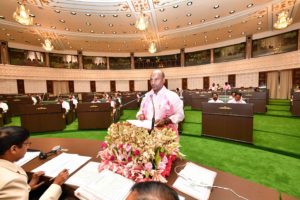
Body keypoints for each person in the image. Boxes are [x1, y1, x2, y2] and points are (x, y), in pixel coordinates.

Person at [0, 126, 69, 200]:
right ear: (14, 149)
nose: (28, 147)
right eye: (26, 144)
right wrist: (56, 184)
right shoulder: (12, 180)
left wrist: (26, 188)